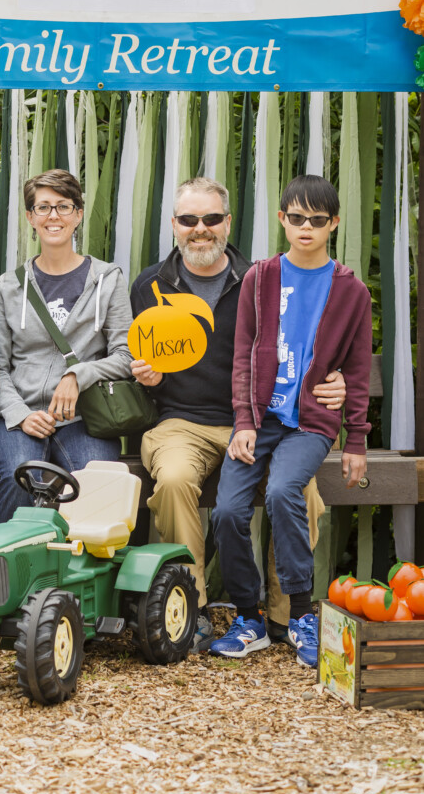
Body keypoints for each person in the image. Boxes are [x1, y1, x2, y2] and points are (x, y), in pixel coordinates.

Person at [130, 177, 345, 652]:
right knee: (173, 480)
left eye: (210, 219)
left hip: (258, 419)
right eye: (189, 220)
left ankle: (288, 616)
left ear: (227, 223)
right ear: (174, 226)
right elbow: (153, 360)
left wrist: (339, 379)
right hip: (181, 422)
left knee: (301, 490)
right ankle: (192, 609)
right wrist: (149, 377)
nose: (199, 229)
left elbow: (302, 347)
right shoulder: (149, 285)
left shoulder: (262, 279)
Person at [211, 175, 372, 669]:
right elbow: (243, 354)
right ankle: (248, 617)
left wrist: (357, 440)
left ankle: (301, 614)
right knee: (228, 512)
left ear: (333, 224)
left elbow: (360, 368)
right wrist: (243, 421)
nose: (306, 228)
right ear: (282, 219)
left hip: (310, 424)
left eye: (317, 221)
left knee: (283, 492)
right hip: (258, 422)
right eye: (296, 218)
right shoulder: (259, 278)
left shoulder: (350, 290)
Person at [0, 169, 133, 523]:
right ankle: (3, 570)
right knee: (23, 478)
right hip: (20, 415)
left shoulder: (108, 279)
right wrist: (20, 414)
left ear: (78, 214)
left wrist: (78, 374)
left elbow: (126, 356)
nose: (54, 216)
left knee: (95, 483)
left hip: (86, 417)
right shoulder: (8, 287)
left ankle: (84, 574)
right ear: (30, 217)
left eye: (63, 206)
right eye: (44, 207)